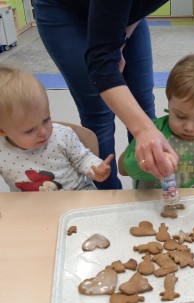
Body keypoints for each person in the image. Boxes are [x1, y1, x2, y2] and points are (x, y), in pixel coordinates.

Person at [32, 0, 178, 190]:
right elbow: (101, 67)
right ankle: (109, 197)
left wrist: (120, 41)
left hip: (119, 13)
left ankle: (148, 188)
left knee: (143, 107)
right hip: (64, 9)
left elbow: (138, 8)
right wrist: (143, 130)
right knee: (98, 114)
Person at [122, 54, 194, 191]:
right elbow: (127, 168)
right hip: (153, 204)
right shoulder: (152, 134)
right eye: (180, 116)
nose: (189, 127)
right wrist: (150, 161)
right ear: (169, 100)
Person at [0, 65, 114, 192]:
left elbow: (83, 159)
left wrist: (96, 168)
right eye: (29, 130)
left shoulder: (61, 135)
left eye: (46, 120)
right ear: (2, 131)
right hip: (30, 208)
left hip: (77, 195)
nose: (43, 132)